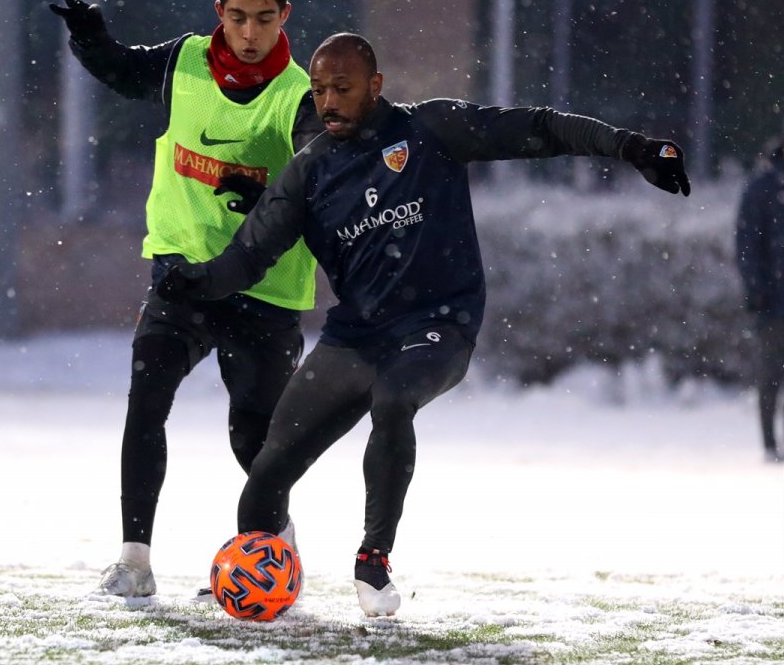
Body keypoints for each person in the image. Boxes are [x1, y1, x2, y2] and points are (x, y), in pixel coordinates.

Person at [155, 32, 691, 616]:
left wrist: (631, 146)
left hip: (438, 325)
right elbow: (248, 257)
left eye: (342, 87)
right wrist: (195, 281)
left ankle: (373, 559)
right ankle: (263, 582)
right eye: (319, 89)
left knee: (392, 401)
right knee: (268, 471)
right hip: (355, 336)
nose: (328, 101)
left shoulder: (430, 129)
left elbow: (538, 127)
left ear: (375, 85)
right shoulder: (308, 172)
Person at [49, 0, 322, 598]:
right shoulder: (186, 61)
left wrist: (268, 196)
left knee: (253, 438)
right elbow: (123, 71)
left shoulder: (299, 97)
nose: (249, 33)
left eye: (262, 18)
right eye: (237, 17)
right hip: (181, 279)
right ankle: (134, 563)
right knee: (146, 406)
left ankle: (274, 551)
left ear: (284, 16)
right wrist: (91, 39)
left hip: (264, 290)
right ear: (218, 13)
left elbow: (320, 173)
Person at [735, 133, 784, 464]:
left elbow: (746, 247)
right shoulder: (762, 190)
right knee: (769, 377)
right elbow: (748, 248)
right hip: (773, 303)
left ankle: (769, 445)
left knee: (769, 378)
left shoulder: (760, 188)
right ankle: (769, 446)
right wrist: (759, 292)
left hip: (771, 304)